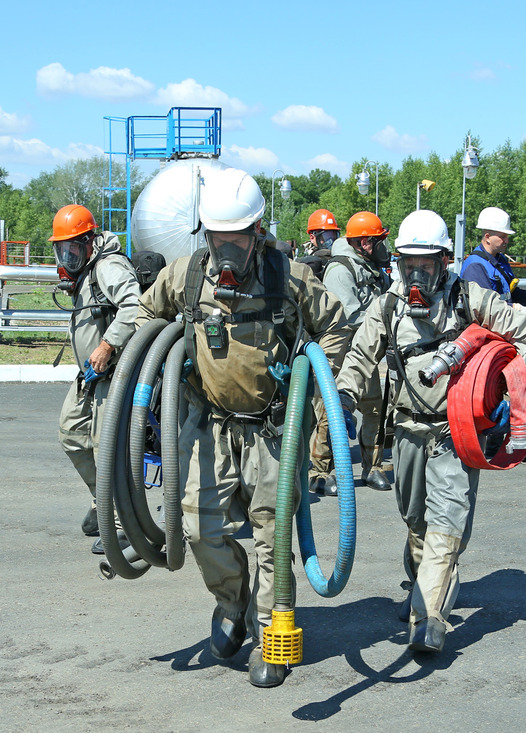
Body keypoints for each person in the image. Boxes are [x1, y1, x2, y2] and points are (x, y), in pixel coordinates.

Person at [135, 167, 348, 688]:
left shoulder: (290, 277)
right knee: (200, 527)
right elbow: (145, 317)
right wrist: (153, 362)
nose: (225, 253)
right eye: (216, 240)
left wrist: (318, 386)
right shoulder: (186, 276)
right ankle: (233, 605)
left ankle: (275, 639)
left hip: (277, 431)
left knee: (272, 537)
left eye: (236, 241)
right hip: (212, 428)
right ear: (204, 234)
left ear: (258, 233)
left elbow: (338, 326)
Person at [334, 210, 526, 654]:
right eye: (408, 264)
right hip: (407, 428)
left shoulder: (471, 299)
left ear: (444, 261)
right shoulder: (389, 305)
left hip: (457, 431)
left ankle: (429, 617)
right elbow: (359, 354)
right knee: (415, 520)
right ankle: (420, 581)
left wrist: (516, 398)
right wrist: (345, 399)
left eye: (424, 266)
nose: (415, 274)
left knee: (448, 524)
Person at [51, 204, 141, 555]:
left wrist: (107, 345)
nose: (68, 255)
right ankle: (100, 500)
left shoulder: (109, 266)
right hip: (90, 374)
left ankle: (121, 525)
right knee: (72, 434)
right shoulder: (87, 270)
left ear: (90, 241)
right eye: (62, 249)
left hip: (114, 373)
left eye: (73, 247)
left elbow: (135, 305)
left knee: (107, 449)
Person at [309, 211, 394, 495]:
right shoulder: (340, 269)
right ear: (365, 243)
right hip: (338, 345)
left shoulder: (370, 268)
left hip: (363, 347)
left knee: (374, 407)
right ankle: (319, 472)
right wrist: (384, 319)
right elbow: (350, 314)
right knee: (330, 409)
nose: (383, 246)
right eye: (379, 240)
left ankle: (373, 467)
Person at [460, 207, 526, 313]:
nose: (507, 241)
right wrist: (518, 310)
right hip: (486, 327)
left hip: (502, 322)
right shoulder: (475, 266)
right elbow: (485, 305)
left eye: (507, 237)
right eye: (502, 237)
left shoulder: (500, 260)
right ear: (488, 237)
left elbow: (511, 293)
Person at [296, 208, 340, 278]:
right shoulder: (304, 261)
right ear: (312, 237)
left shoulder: (340, 257)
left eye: (333, 236)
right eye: (326, 237)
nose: (330, 241)